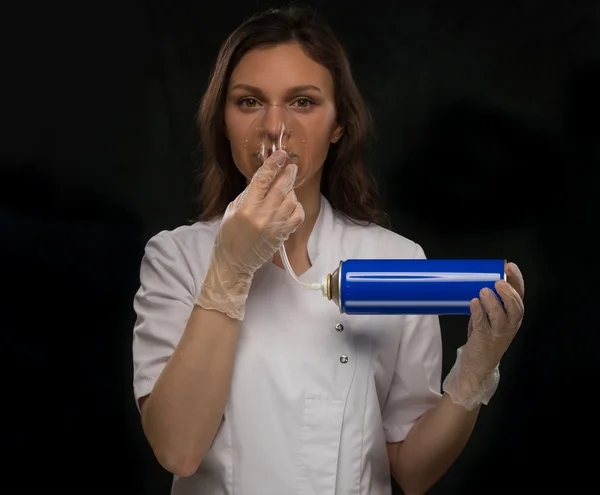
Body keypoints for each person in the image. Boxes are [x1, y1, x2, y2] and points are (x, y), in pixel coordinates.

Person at [132, 5, 525, 495]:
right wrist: (229, 271)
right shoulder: (176, 259)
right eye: (250, 102)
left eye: (302, 102)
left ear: (339, 124)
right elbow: (177, 450)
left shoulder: (395, 264)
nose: (275, 129)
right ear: (223, 121)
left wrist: (475, 370)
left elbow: (414, 470)